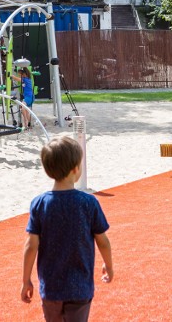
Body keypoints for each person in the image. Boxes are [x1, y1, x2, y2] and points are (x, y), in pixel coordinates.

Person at [21, 136, 114, 322]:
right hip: (80, 287)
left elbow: (31, 246)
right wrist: (108, 265)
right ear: (75, 169)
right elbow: (102, 240)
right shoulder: (88, 203)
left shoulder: (39, 204)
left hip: (51, 287)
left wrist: (26, 280)